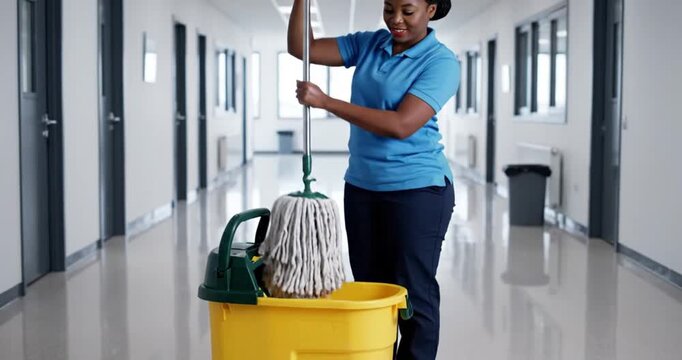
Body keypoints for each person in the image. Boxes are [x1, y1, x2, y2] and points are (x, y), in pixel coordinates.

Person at [288, 0, 459, 358]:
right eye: (389, 9)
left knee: (413, 292)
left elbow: (401, 124)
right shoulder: (370, 44)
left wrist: (327, 102)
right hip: (363, 187)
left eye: (407, 11)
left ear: (430, 10)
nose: (396, 20)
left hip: (419, 190)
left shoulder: (441, 62)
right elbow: (302, 48)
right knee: (371, 289)